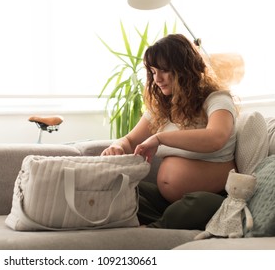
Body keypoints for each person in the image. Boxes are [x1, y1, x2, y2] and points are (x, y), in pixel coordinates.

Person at [101, 34, 238, 230]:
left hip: (213, 199)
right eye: (153, 71)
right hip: (165, 203)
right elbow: (130, 140)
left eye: (164, 70)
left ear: (185, 68)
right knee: (121, 189)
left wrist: (160, 138)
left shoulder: (217, 100)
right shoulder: (162, 108)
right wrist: (117, 146)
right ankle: (157, 223)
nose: (157, 79)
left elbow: (215, 138)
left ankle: (152, 230)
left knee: (196, 204)